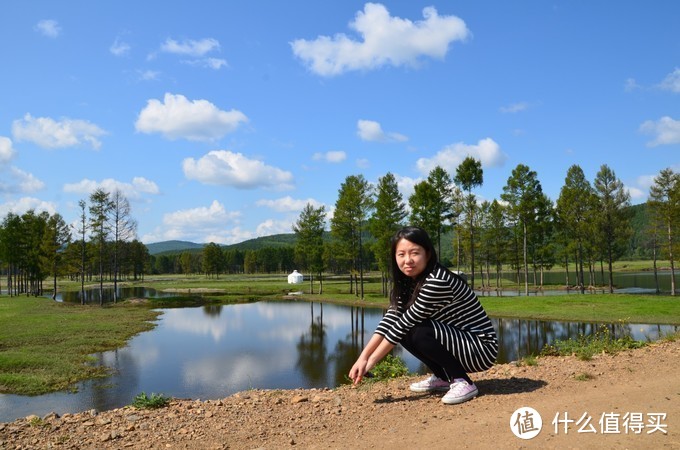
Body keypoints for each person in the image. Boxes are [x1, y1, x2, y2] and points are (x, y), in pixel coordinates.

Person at [349, 226, 498, 404]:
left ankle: (463, 381)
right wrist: (362, 357)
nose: (408, 260)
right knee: (405, 329)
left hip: (480, 347)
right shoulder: (408, 281)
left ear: (427, 254)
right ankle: (443, 377)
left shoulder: (437, 280)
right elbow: (391, 318)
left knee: (417, 329)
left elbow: (405, 323)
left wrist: (371, 361)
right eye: (401, 254)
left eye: (414, 253)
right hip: (460, 341)